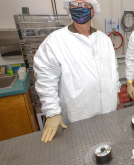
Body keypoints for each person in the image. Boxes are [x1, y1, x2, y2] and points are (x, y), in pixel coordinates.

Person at [33, 0, 120, 143]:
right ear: (69, 10)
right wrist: (52, 112)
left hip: (107, 109)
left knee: (107, 144)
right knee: (80, 149)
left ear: (93, 11)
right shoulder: (56, 40)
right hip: (78, 111)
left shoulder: (104, 39)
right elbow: (45, 77)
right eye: (74, 5)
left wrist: (115, 90)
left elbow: (112, 68)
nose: (80, 8)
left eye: (85, 5)